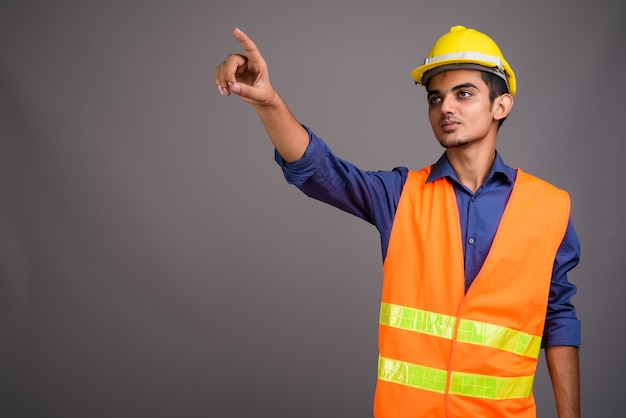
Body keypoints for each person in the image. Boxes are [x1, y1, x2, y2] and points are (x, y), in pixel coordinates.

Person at [214, 25, 581, 418]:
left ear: (500, 106)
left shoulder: (548, 206)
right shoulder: (400, 195)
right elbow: (320, 170)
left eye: (464, 93)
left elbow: (557, 318)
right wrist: (268, 103)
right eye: (435, 97)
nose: (446, 107)